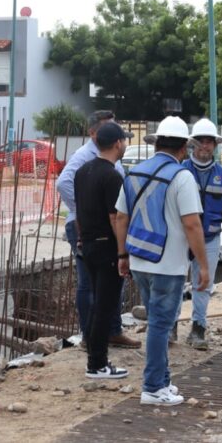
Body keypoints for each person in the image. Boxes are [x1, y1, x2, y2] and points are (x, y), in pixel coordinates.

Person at [113, 116, 209, 406]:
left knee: (158, 322)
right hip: (168, 264)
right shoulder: (182, 177)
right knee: (159, 325)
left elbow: (120, 216)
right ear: (183, 148)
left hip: (140, 259)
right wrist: (203, 265)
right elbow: (192, 224)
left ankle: (163, 381)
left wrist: (122, 254)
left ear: (156, 143)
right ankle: (153, 387)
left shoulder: (134, 173)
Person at [56, 110, 140, 349]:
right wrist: (86, 211)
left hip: (99, 225)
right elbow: (63, 183)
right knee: (90, 284)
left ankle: (110, 331)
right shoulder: (84, 158)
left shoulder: (108, 161)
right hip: (90, 227)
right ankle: (90, 336)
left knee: (110, 283)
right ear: (94, 133)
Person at [74, 122, 133, 379]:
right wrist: (123, 253)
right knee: (104, 307)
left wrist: (80, 239)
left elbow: (77, 211)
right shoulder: (112, 176)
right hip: (106, 247)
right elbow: (115, 218)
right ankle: (97, 363)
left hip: (87, 245)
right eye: (125, 140)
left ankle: (94, 356)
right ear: (118, 143)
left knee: (98, 302)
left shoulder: (82, 171)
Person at [183, 118, 222, 351]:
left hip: (210, 238)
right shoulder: (182, 169)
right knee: (175, 283)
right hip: (182, 238)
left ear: (215, 146)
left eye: (210, 142)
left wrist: (211, 221)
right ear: (193, 145)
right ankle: (171, 327)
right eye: (201, 142)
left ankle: (198, 329)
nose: (205, 146)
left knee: (203, 283)